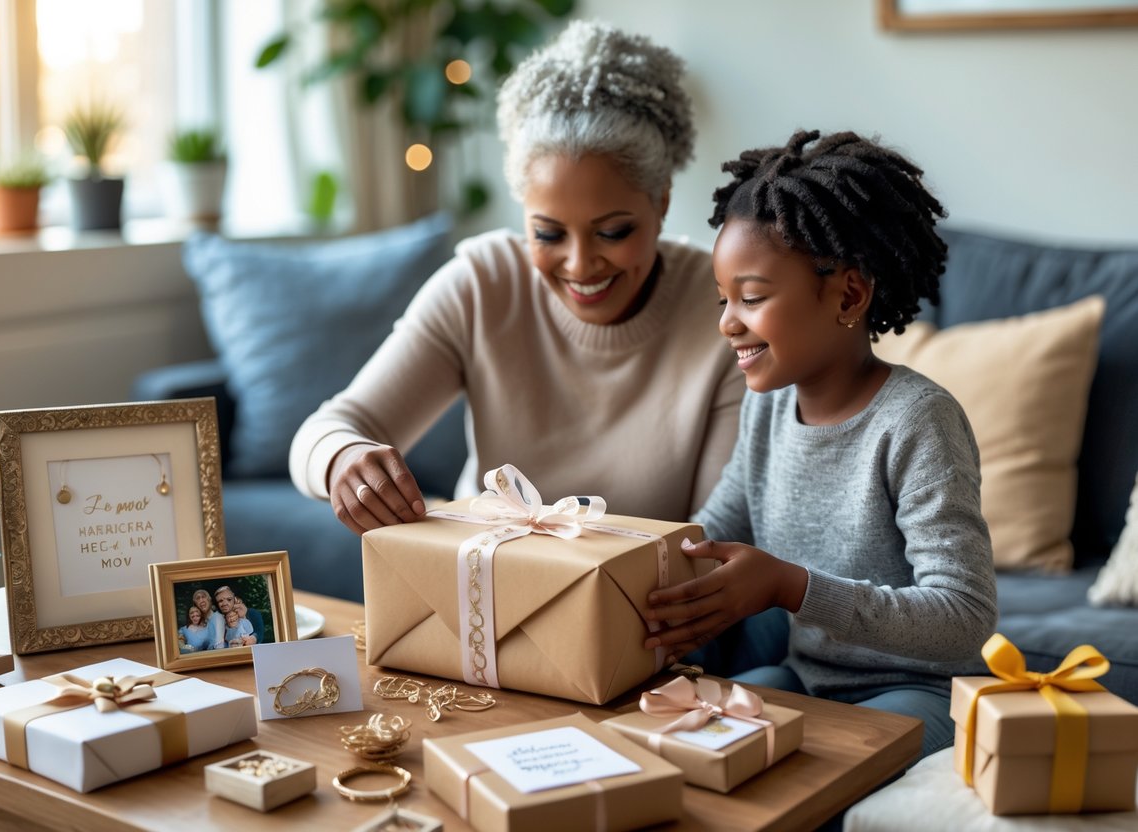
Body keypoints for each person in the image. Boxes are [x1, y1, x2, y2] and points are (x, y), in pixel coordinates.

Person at [289, 19, 745, 533]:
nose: (579, 265)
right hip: (482, 601)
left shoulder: (723, 309)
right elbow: (322, 432)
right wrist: (343, 459)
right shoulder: (482, 286)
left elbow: (713, 538)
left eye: (613, 232)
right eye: (548, 234)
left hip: (649, 606)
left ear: (660, 202)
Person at [644, 129, 998, 758]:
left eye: (751, 298)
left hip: (921, 689)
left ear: (849, 295)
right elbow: (717, 525)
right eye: (723, 299)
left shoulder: (919, 421)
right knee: (689, 731)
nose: (727, 322)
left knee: (809, 763)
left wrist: (791, 587)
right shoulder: (771, 407)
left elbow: (963, 616)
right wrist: (627, 567)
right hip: (808, 675)